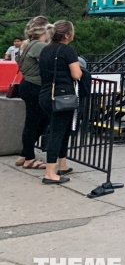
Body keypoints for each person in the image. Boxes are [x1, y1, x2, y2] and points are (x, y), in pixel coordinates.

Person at [38, 21, 82, 185]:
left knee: (60, 130)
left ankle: (62, 164)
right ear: (66, 35)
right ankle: (50, 172)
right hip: (62, 97)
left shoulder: (45, 49)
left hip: (46, 94)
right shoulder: (67, 50)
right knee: (57, 134)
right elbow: (77, 74)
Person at [13, 17, 50, 170]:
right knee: (37, 122)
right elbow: (47, 64)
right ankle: (29, 158)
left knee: (33, 121)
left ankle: (25, 153)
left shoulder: (26, 45)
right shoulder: (39, 46)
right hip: (36, 86)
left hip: (26, 84)